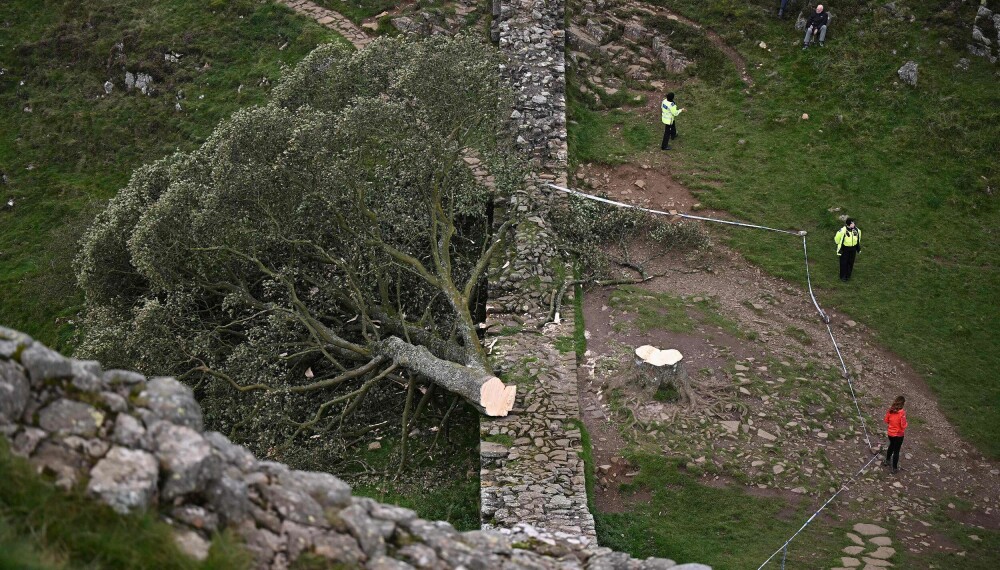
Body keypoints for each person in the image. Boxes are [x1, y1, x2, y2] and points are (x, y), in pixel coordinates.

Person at [884, 396, 908, 474]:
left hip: (890, 434)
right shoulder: (902, 413)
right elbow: (903, 425)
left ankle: (887, 460)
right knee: (896, 451)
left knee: (891, 445)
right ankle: (894, 468)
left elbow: (886, 420)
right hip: (898, 435)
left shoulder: (890, 410)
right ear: (902, 403)